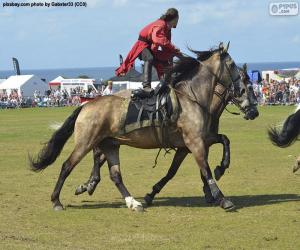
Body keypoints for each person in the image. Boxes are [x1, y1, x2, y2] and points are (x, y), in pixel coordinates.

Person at [115, 8, 182, 98]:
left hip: (150, 47)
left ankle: (167, 84)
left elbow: (166, 46)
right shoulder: (161, 24)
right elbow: (157, 39)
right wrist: (174, 48)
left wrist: (175, 53)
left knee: (165, 62)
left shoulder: (168, 29)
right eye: (177, 19)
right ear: (174, 19)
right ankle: (146, 86)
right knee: (149, 58)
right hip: (142, 46)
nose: (178, 21)